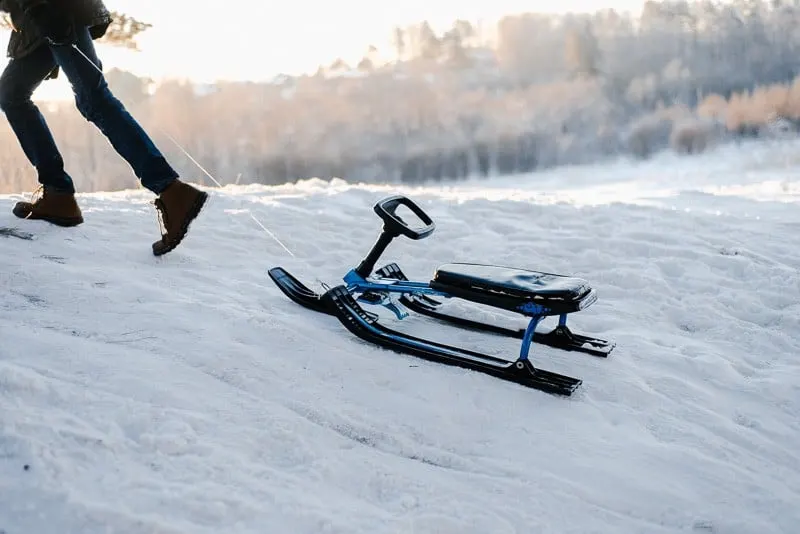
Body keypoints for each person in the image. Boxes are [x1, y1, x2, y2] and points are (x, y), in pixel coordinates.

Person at [0, 0, 208, 256]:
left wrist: (46, 9)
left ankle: (171, 191)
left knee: (94, 99)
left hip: (54, 9)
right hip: (35, 20)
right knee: (11, 94)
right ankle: (58, 195)